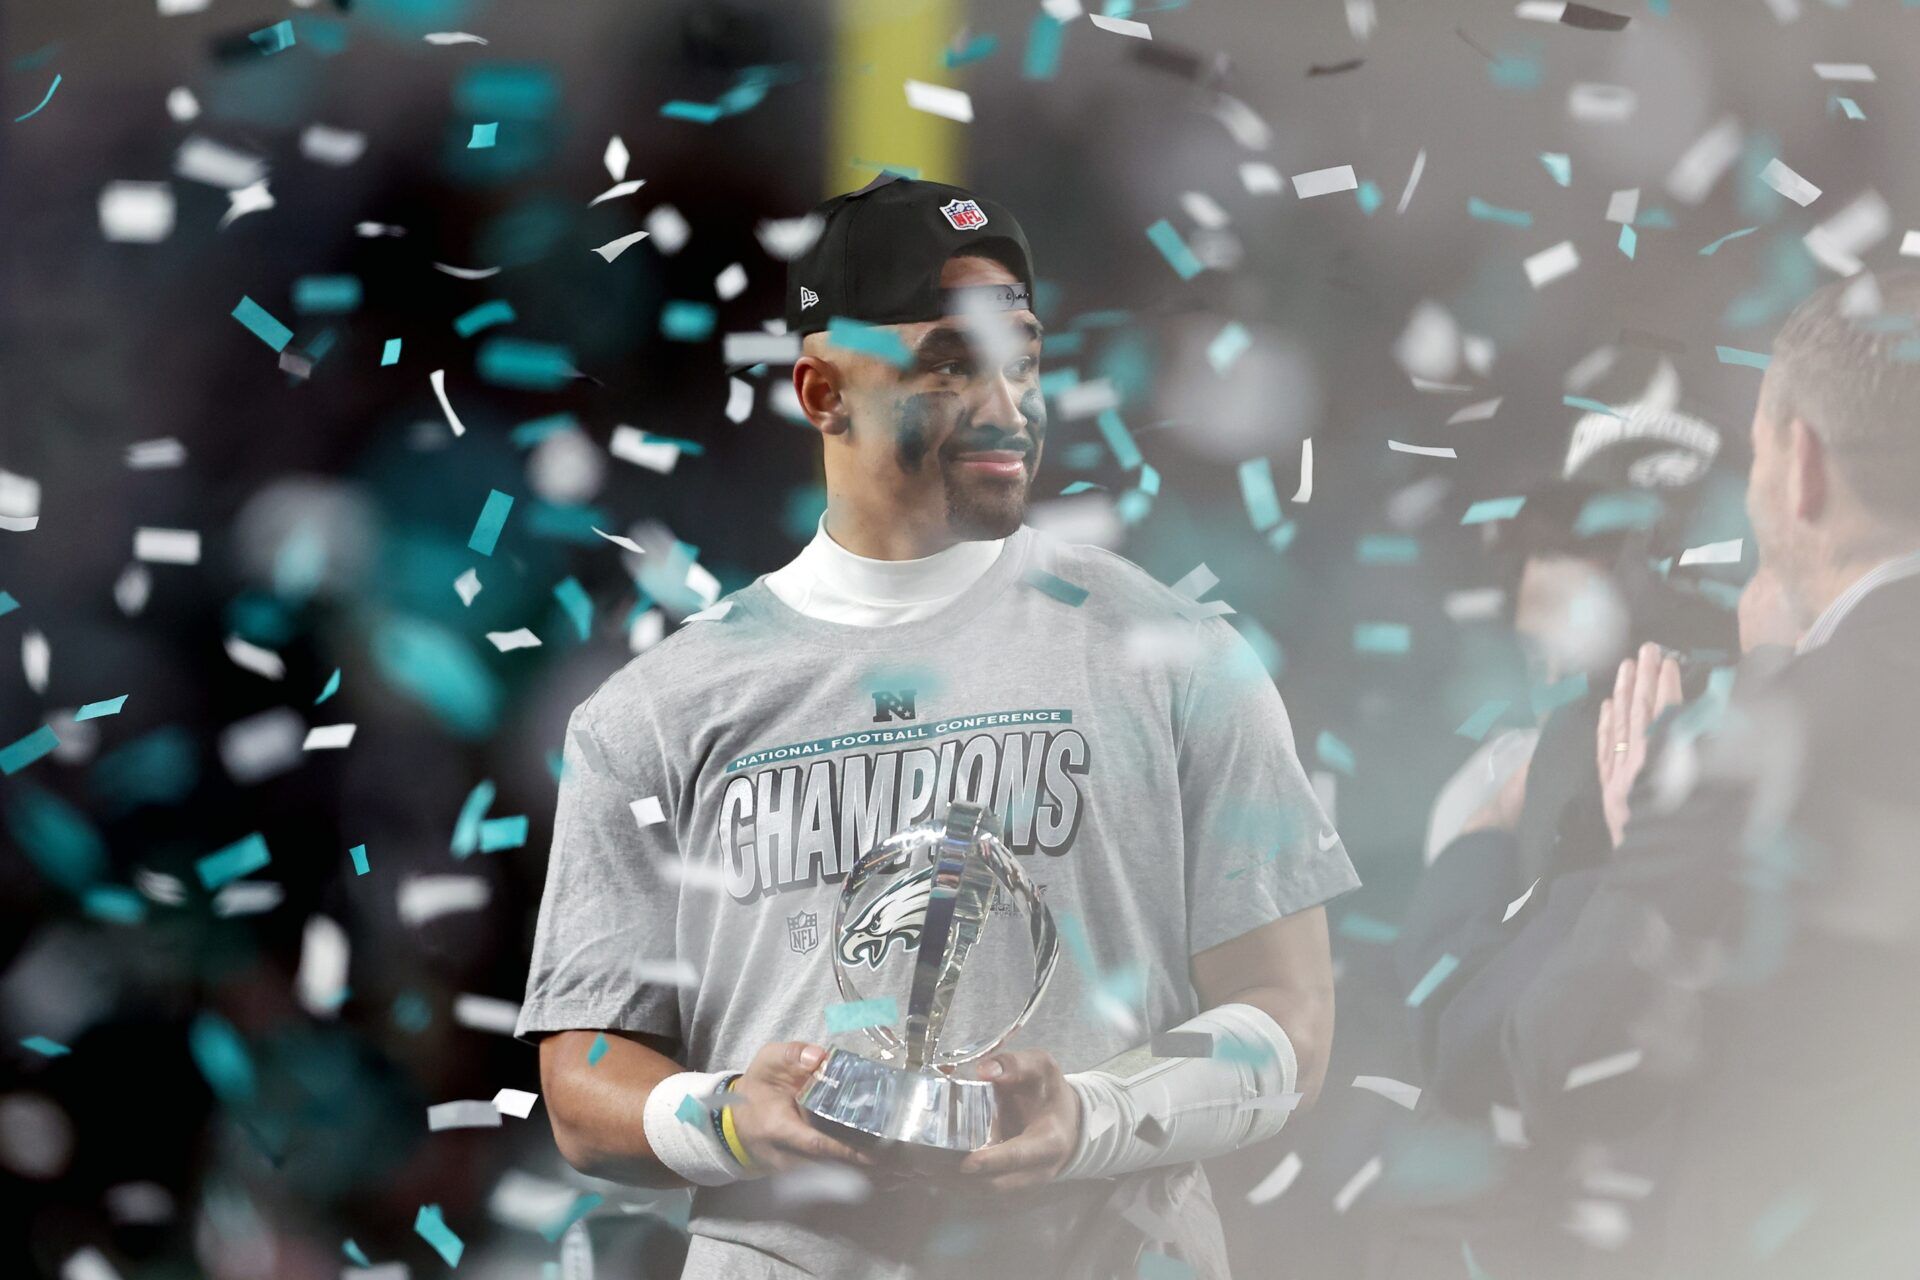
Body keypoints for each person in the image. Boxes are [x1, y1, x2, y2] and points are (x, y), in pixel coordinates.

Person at [511, 175, 1360, 1280]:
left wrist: (1092, 1115)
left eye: (1023, 354)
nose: (1008, 401)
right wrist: (732, 1114)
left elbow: (1292, 1014)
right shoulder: (658, 709)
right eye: (951, 361)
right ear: (823, 390)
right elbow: (583, 1079)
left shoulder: (1176, 654)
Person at [1409, 269, 1920, 1278]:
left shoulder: (1711, 744)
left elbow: (1526, 1049)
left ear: (1801, 468)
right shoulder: (1769, 701)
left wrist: (1495, 842)